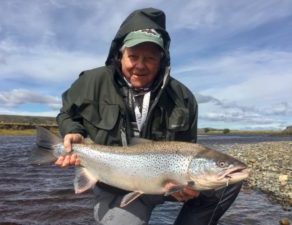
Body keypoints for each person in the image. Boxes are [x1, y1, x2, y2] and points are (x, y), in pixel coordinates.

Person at [55, 8, 242, 225]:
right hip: (117, 181)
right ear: (120, 55)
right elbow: (67, 113)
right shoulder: (92, 81)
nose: (140, 65)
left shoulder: (183, 97)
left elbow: (189, 147)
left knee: (230, 181)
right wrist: (72, 132)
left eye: (150, 58)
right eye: (133, 56)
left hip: (171, 181)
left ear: (161, 60)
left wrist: (183, 188)